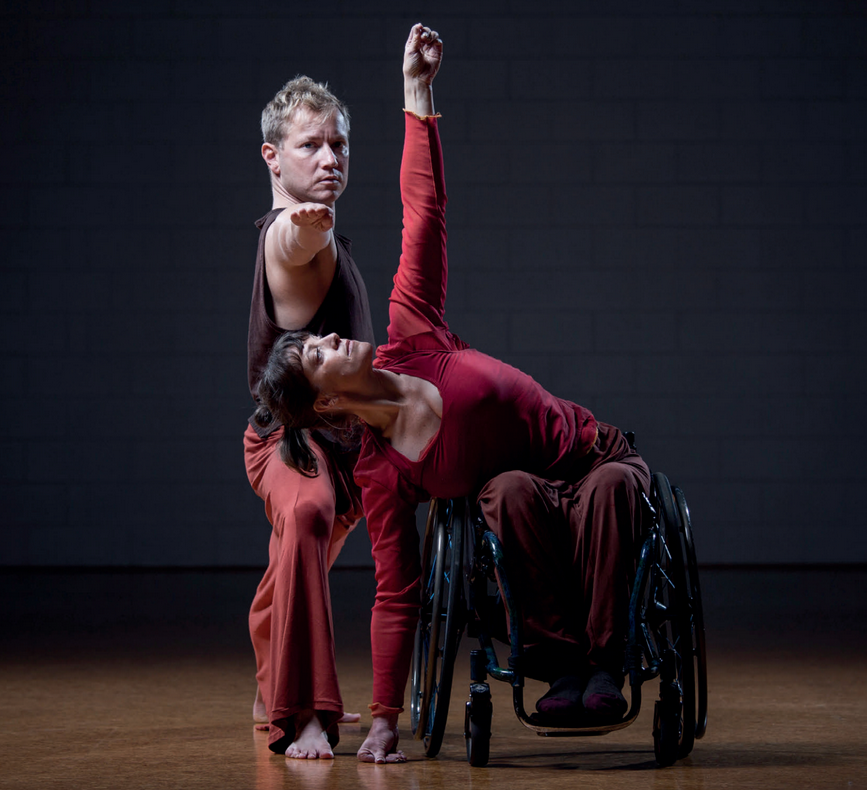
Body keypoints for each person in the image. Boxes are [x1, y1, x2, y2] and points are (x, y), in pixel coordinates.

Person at [256, 23, 651, 764]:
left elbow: (424, 214)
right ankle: (564, 669)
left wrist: (418, 91)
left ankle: (606, 664)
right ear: (330, 406)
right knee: (504, 494)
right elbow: (396, 594)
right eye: (319, 353)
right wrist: (381, 720)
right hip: (524, 487)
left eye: (323, 335)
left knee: (607, 493)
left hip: (592, 457)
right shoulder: (380, 474)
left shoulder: (411, 328)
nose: (334, 337)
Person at [244, 64, 375, 759]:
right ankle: (304, 716)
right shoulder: (291, 238)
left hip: (349, 443)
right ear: (272, 156)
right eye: (309, 146)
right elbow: (291, 245)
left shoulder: (335, 242)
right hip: (293, 444)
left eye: (339, 145)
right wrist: (304, 227)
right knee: (305, 517)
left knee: (294, 569)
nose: (329, 158)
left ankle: (271, 680)